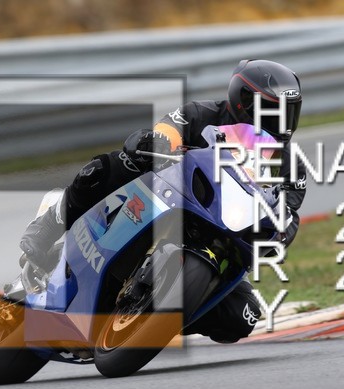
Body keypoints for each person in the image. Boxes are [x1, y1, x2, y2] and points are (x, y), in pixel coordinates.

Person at [20, 59, 307, 343]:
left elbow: (287, 212)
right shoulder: (202, 113)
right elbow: (168, 129)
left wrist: (282, 232)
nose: (282, 120)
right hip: (167, 196)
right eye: (273, 110)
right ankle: (50, 223)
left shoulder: (291, 166)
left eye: (289, 111)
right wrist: (156, 142)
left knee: (243, 317)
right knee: (111, 166)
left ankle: (155, 316)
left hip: (222, 235)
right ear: (243, 102)